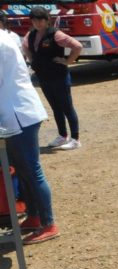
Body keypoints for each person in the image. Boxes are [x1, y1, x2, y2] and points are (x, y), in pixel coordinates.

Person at [0, 29, 59, 244]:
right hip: (18, 111)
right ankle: (34, 216)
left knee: (31, 170)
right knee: (22, 169)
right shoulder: (6, 36)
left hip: (18, 113)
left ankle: (48, 223)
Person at [22, 6, 82, 151]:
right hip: (44, 76)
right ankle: (62, 135)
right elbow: (25, 47)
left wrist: (68, 61)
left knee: (67, 106)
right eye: (34, 20)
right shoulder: (30, 35)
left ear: (47, 20)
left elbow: (77, 46)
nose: (37, 23)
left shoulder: (56, 34)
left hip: (59, 75)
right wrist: (33, 61)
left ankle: (75, 139)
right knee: (55, 107)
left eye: (40, 20)